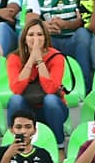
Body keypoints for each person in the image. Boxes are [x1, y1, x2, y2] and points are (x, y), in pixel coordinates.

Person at [23, 0, 91, 86]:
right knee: (30, 34)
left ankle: (84, 85)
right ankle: (34, 83)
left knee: (83, 33)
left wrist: (65, 25)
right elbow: (30, 18)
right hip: (50, 39)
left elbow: (83, 19)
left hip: (73, 38)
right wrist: (44, 26)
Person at [4, 19, 66, 147]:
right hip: (27, 109)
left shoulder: (57, 57)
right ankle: (17, 145)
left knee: (51, 100)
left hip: (51, 109)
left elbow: (51, 89)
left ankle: (59, 145)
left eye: (39, 34)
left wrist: (39, 61)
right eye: (31, 35)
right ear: (24, 38)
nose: (35, 39)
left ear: (45, 37)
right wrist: (30, 60)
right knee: (15, 100)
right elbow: (16, 89)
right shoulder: (14, 58)